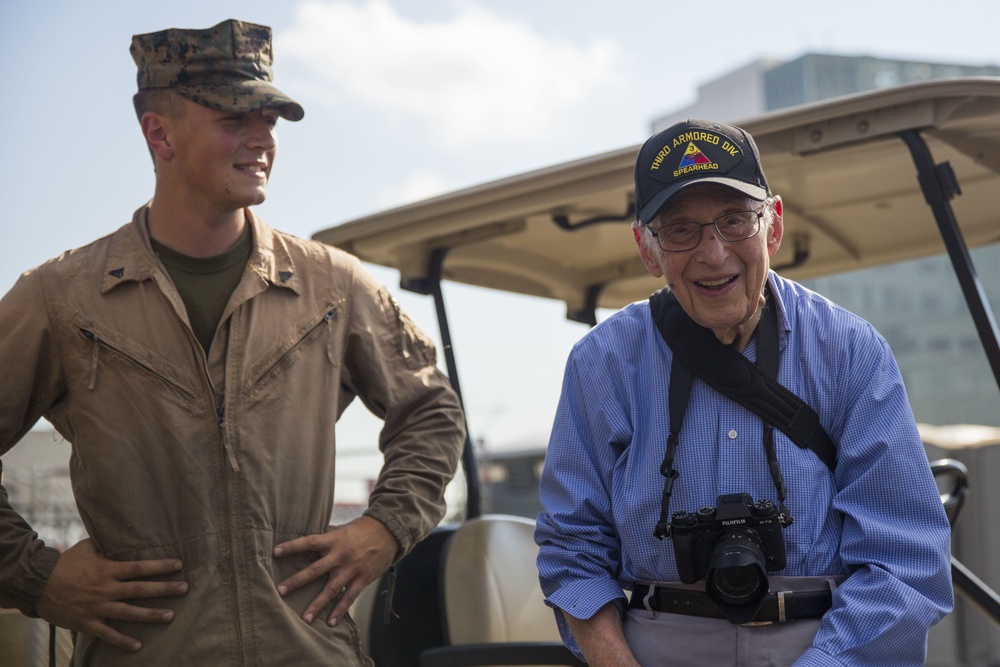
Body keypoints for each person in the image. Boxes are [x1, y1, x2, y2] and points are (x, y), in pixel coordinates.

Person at [0, 19, 465, 666]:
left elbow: (433, 412)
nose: (263, 138)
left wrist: (385, 527)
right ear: (158, 133)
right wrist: (37, 576)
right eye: (234, 116)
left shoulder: (331, 286)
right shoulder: (63, 297)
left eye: (271, 117)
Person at [534, 119, 953, 666]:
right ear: (647, 248)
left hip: (827, 645)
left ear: (772, 226)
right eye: (681, 230)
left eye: (735, 221)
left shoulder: (850, 351)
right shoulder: (602, 364)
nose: (714, 253)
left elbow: (905, 559)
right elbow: (573, 551)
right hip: (654, 647)